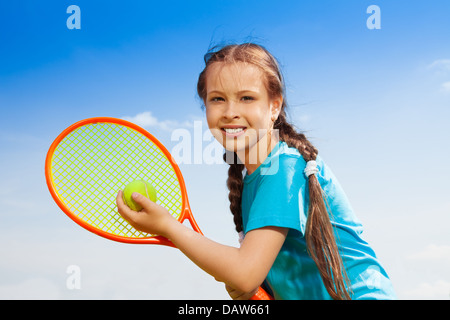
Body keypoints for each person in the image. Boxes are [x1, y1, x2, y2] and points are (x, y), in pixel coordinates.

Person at [116, 43, 396, 300]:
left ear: (274, 106)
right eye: (217, 99)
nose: (230, 111)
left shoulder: (284, 168)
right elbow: (255, 276)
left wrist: (167, 227)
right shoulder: (254, 179)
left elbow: (244, 272)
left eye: (247, 98)